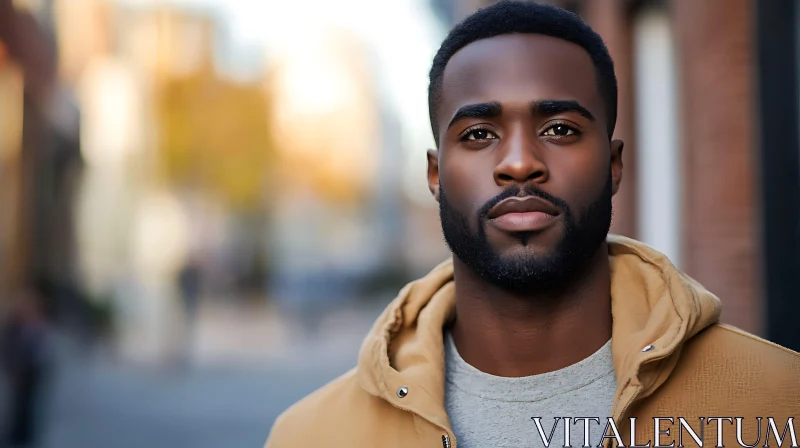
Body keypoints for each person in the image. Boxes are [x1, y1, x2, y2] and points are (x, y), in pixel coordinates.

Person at [263, 2, 800, 448]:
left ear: (614, 166)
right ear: (434, 175)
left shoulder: (778, 403)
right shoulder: (309, 436)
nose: (519, 162)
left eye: (560, 128)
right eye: (478, 134)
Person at [1, 286, 53, 448]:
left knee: (26, 406)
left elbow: (40, 350)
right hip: (19, 370)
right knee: (18, 405)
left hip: (31, 372)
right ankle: (17, 433)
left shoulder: (37, 325)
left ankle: (23, 434)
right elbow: (9, 346)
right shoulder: (17, 323)